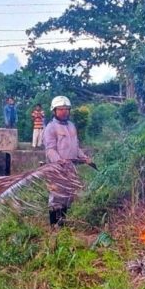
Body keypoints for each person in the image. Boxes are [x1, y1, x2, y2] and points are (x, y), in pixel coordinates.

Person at [43, 96, 92, 227]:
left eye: (66, 109)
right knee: (57, 195)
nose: (64, 111)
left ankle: (62, 223)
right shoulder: (51, 127)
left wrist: (84, 157)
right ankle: (54, 225)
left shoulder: (71, 126)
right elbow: (50, 150)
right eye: (61, 109)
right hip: (57, 168)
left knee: (68, 195)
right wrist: (59, 160)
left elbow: (75, 146)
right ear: (54, 111)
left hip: (70, 167)